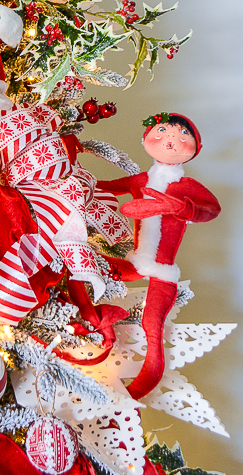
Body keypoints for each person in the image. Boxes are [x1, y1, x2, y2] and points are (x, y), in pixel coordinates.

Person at [96, 113, 220, 399]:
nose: (171, 139)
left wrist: (182, 207)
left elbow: (212, 209)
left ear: (195, 149)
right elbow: (107, 186)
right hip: (136, 263)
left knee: (153, 328)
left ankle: (137, 390)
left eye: (182, 135)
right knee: (89, 265)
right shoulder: (141, 181)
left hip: (163, 271)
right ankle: (95, 322)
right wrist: (72, 181)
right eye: (162, 130)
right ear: (146, 139)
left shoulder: (186, 187)